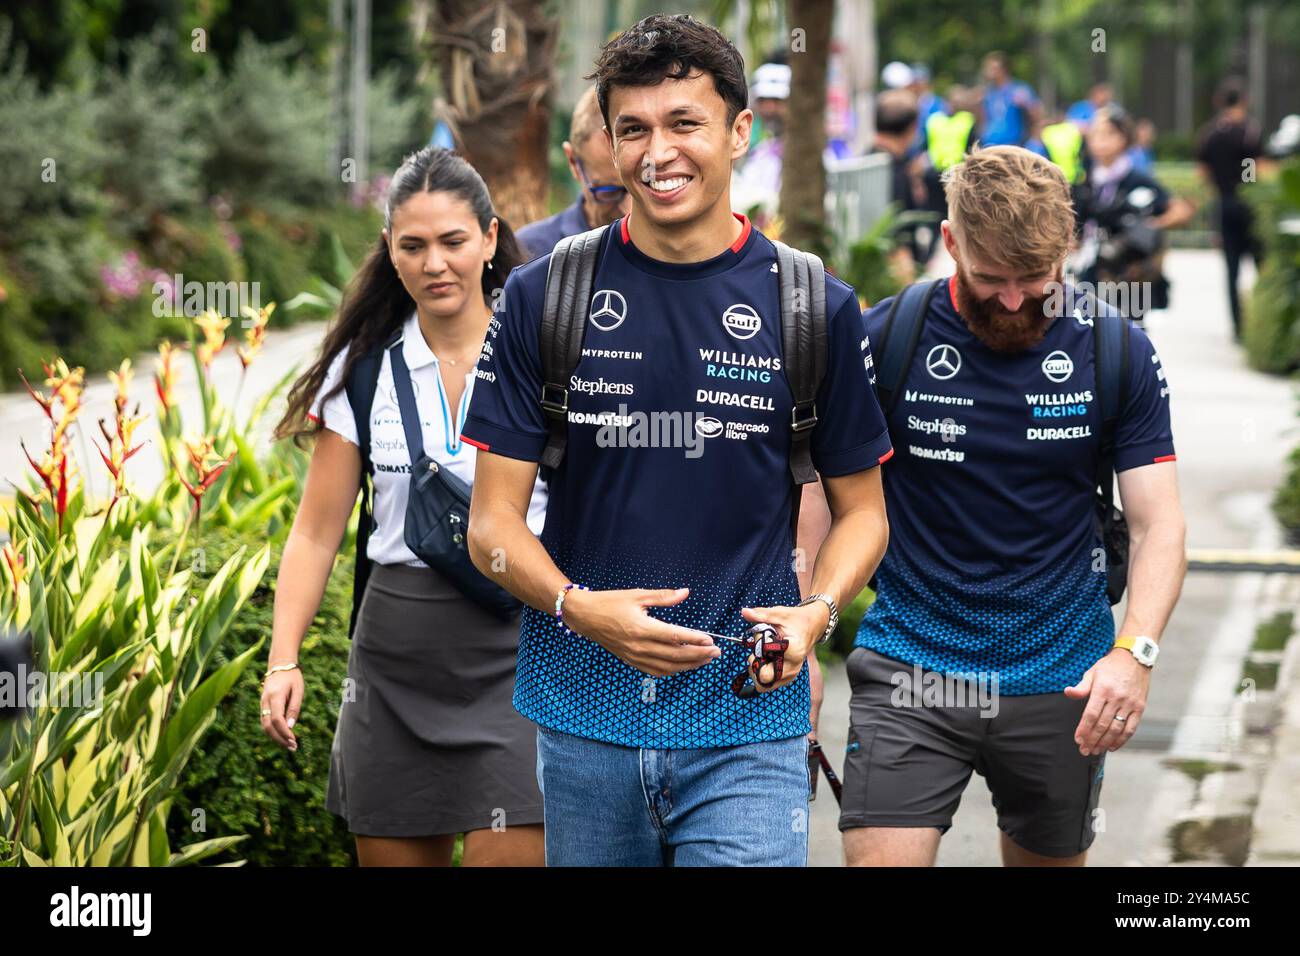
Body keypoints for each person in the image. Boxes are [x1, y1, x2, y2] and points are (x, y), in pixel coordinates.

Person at [460, 14, 891, 867]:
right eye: (633, 129)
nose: (659, 153)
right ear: (608, 145)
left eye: (684, 123)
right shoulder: (545, 297)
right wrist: (579, 608)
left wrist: (817, 615)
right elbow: (490, 528)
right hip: (584, 718)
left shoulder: (814, 306)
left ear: (739, 131)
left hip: (749, 717)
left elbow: (864, 515)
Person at [810, 145, 1187, 867]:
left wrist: (1133, 653)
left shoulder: (1117, 351)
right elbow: (826, 500)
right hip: (910, 669)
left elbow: (1158, 522)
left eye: (1034, 280)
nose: (1013, 301)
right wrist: (806, 633)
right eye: (989, 279)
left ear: (1067, 249)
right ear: (950, 243)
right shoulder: (889, 337)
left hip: (1063, 679)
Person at [264, 147, 548, 867]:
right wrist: (284, 659)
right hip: (392, 664)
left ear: (489, 238)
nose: (435, 264)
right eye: (413, 246)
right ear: (390, 251)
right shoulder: (361, 374)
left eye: (453, 242)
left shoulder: (544, 360)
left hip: (525, 648)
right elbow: (315, 533)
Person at [1075, 106, 1194, 318]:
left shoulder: (1137, 180)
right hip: (1092, 273)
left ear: (1124, 138)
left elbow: (1181, 212)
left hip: (1128, 276)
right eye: (1095, 133)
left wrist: (1149, 227)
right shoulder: (1086, 182)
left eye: (1109, 133)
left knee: (1128, 338)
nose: (1100, 140)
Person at [516, 87, 632, 261]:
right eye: (610, 192)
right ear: (573, 163)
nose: (628, 208)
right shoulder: (532, 249)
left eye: (641, 186)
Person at [1196, 79, 1268, 341]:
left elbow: (1202, 172)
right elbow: (1258, 168)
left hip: (1225, 203)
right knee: (1262, 264)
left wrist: (1220, 186)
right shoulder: (1250, 130)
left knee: (1232, 269)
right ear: (1244, 101)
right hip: (1249, 204)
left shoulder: (1210, 133)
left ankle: (1238, 327)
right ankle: (1264, 320)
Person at [870, 89, 923, 281]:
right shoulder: (893, 171)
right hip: (892, 275)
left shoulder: (866, 162)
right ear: (912, 129)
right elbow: (900, 231)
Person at [978, 51, 1040, 147]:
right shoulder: (988, 93)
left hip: (1012, 145)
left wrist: (1034, 140)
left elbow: (1037, 114)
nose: (988, 72)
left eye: (992, 68)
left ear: (1003, 70)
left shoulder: (1018, 90)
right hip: (989, 145)